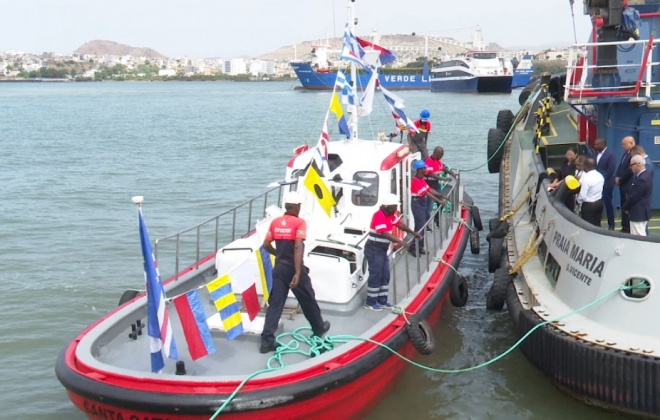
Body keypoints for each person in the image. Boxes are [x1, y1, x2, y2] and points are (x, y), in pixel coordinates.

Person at [259, 191, 329, 353]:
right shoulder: (299, 223)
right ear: (297, 206)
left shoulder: (275, 222)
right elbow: (298, 246)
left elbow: (266, 245)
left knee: (275, 304)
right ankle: (318, 328)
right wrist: (298, 272)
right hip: (293, 267)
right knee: (308, 299)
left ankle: (267, 340)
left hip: (279, 268)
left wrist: (278, 254)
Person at [363, 194, 421, 311]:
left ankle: (382, 300)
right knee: (376, 274)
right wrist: (402, 242)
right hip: (374, 249)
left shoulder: (390, 215)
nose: (396, 209)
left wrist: (412, 232)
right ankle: (370, 302)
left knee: (385, 275)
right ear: (388, 206)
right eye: (394, 207)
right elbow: (384, 233)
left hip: (382, 250)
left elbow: (399, 224)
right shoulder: (379, 216)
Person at [410, 160, 446, 257]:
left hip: (422, 202)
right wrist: (439, 201)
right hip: (417, 203)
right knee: (420, 226)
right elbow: (426, 193)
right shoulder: (415, 181)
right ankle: (413, 246)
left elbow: (429, 189)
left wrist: (441, 195)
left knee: (422, 225)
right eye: (425, 168)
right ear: (420, 170)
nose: (427, 169)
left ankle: (420, 246)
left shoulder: (421, 180)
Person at [424, 146, 457, 224]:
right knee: (429, 206)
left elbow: (443, 168)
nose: (441, 156)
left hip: (436, 185)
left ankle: (437, 220)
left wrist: (452, 173)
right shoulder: (428, 161)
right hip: (429, 185)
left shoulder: (438, 161)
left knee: (441, 203)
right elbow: (431, 174)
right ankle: (426, 224)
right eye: (441, 155)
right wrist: (443, 179)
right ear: (436, 153)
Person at [622, 155, 653, 236]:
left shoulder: (641, 179)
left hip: (638, 212)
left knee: (638, 236)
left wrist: (625, 206)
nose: (630, 167)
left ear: (638, 164)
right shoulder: (646, 176)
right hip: (643, 211)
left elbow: (634, 196)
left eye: (631, 165)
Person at [592, 138, 617, 230]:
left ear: (603, 144)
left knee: (608, 204)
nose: (595, 146)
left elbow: (610, 171)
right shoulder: (594, 154)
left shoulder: (611, 155)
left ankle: (611, 224)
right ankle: (596, 223)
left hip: (607, 184)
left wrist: (600, 180)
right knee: (597, 204)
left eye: (597, 144)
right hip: (596, 184)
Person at [615, 135, 636, 233]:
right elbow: (621, 167)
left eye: (624, 144)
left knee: (627, 206)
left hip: (628, 184)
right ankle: (624, 227)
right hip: (623, 185)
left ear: (631, 143)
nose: (622, 146)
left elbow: (629, 170)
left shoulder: (633, 154)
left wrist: (621, 179)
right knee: (623, 205)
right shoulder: (625, 154)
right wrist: (617, 176)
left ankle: (628, 228)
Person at [577, 157, 605, 226]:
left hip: (589, 205)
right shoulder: (600, 176)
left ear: (586, 166)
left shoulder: (586, 179)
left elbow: (582, 196)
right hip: (599, 203)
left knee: (588, 227)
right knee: (597, 226)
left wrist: (578, 201)